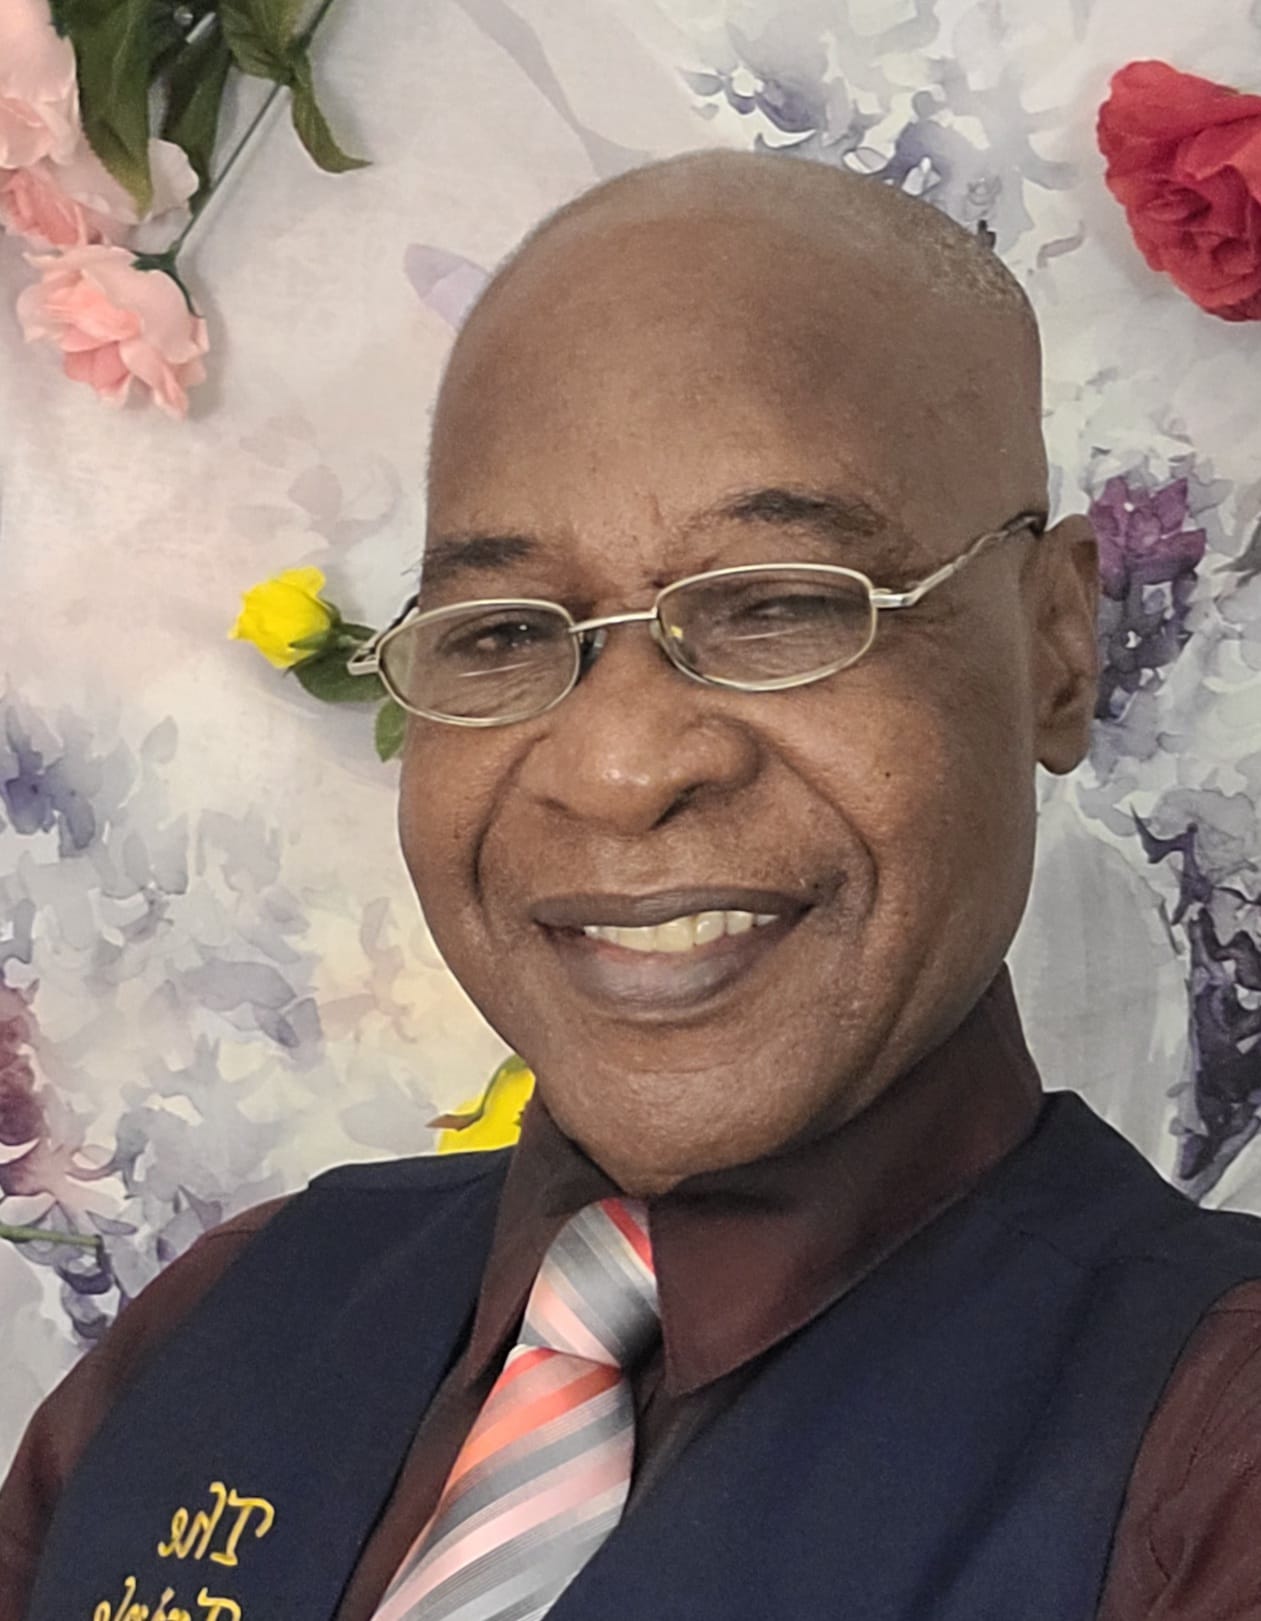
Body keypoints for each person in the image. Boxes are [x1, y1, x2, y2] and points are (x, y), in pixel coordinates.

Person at [4, 150, 1261, 1621]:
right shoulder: (232, 1313)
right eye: (500, 632)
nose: (615, 767)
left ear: (1054, 646)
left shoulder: (1210, 1456)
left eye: (780, 605)